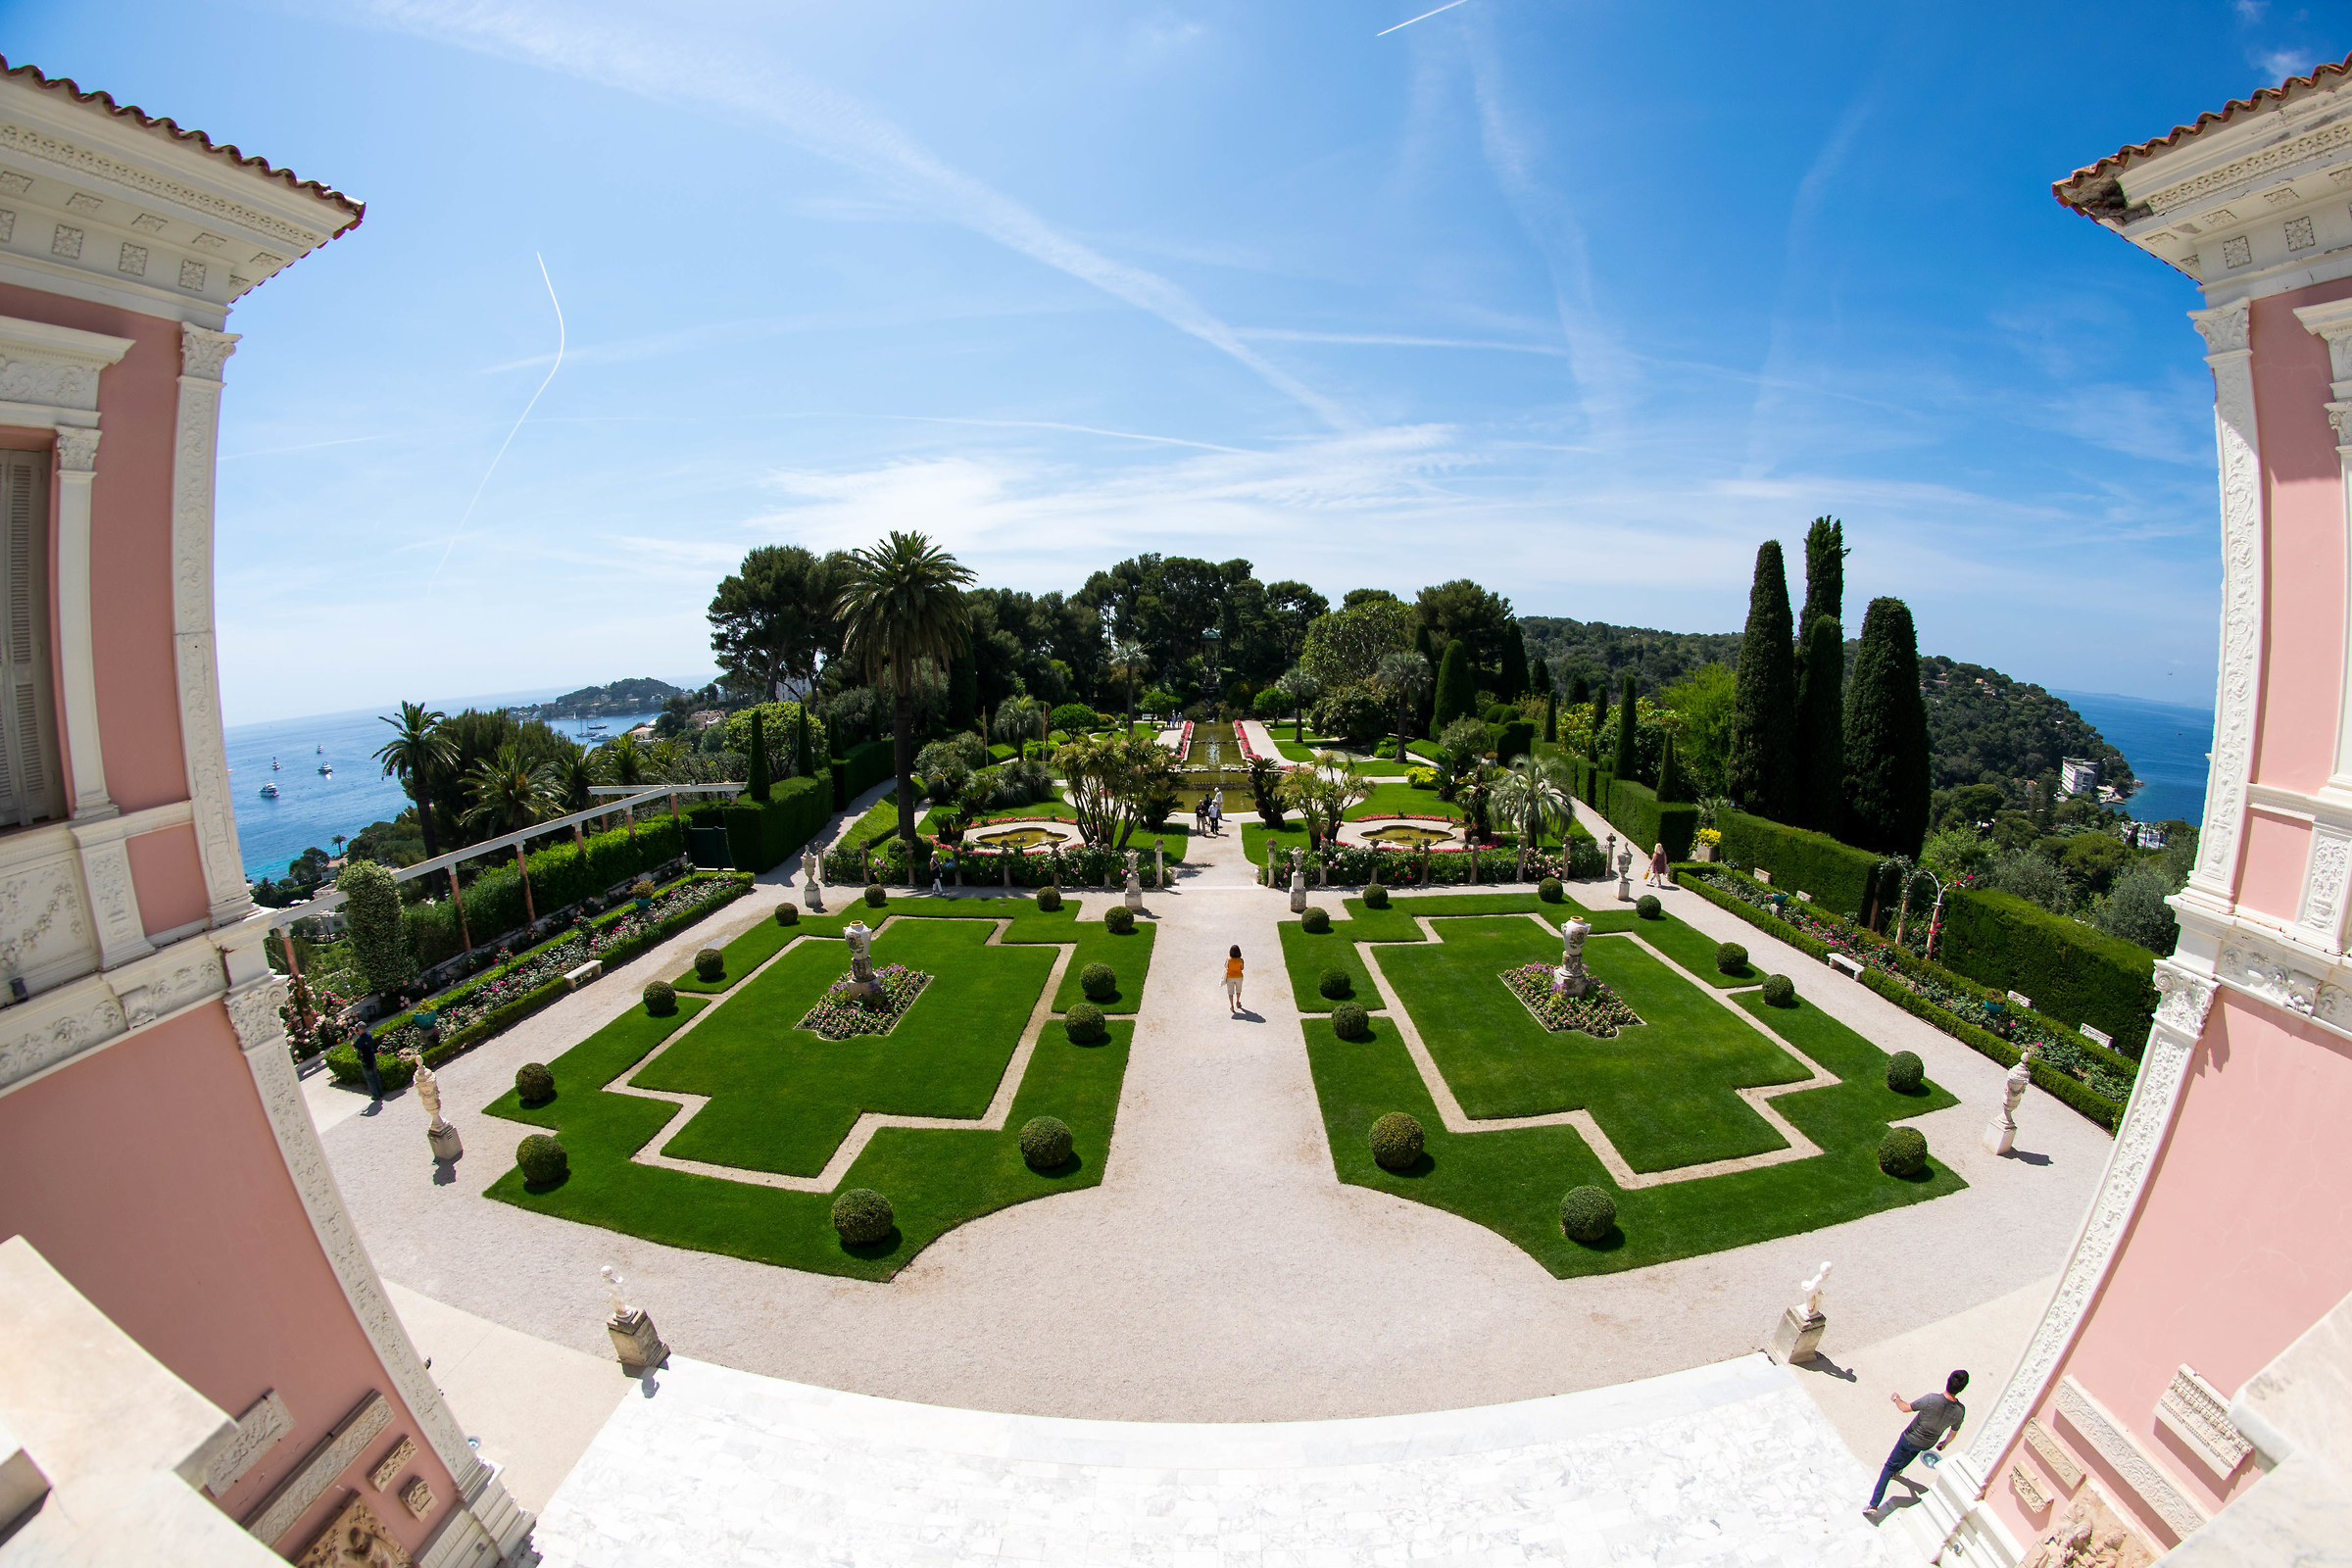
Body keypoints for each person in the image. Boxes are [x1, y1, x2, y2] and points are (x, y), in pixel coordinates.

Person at [1868, 1370, 1969, 1516]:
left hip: (1909, 1438)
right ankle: (1897, 1471)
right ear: (1962, 1389)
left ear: (1948, 1380)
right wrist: (1944, 1444)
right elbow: (1953, 1432)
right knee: (1910, 1455)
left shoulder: (1931, 1399)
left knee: (1888, 1466)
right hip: (1927, 1444)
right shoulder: (1960, 1411)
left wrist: (1897, 1398)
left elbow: (1905, 1408)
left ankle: (1874, 1504)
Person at [353, 1021, 384, 1105]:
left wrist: (350, 1039)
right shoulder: (368, 1035)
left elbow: (354, 1046)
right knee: (375, 1075)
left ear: (359, 1029)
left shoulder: (360, 1040)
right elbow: (362, 1039)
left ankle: (376, 1095)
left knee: (370, 1078)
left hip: (365, 1060)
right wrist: (357, 1033)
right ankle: (380, 1092)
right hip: (372, 1057)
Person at [1223, 944, 1245, 1015]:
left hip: (1230, 977)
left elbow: (1225, 966)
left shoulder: (1228, 959)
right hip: (1239, 976)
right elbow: (1242, 968)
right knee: (1238, 990)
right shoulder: (1241, 960)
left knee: (1230, 992)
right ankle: (1237, 1002)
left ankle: (1232, 1006)